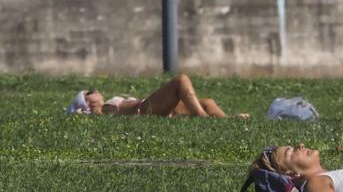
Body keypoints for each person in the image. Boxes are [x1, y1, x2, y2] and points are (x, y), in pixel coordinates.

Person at [66, 73, 249, 118]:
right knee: (181, 81)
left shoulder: (106, 107)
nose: (97, 92)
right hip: (143, 109)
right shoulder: (103, 111)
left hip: (147, 107)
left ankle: (229, 121)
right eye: (91, 93)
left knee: (207, 103)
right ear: (87, 103)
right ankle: (203, 119)